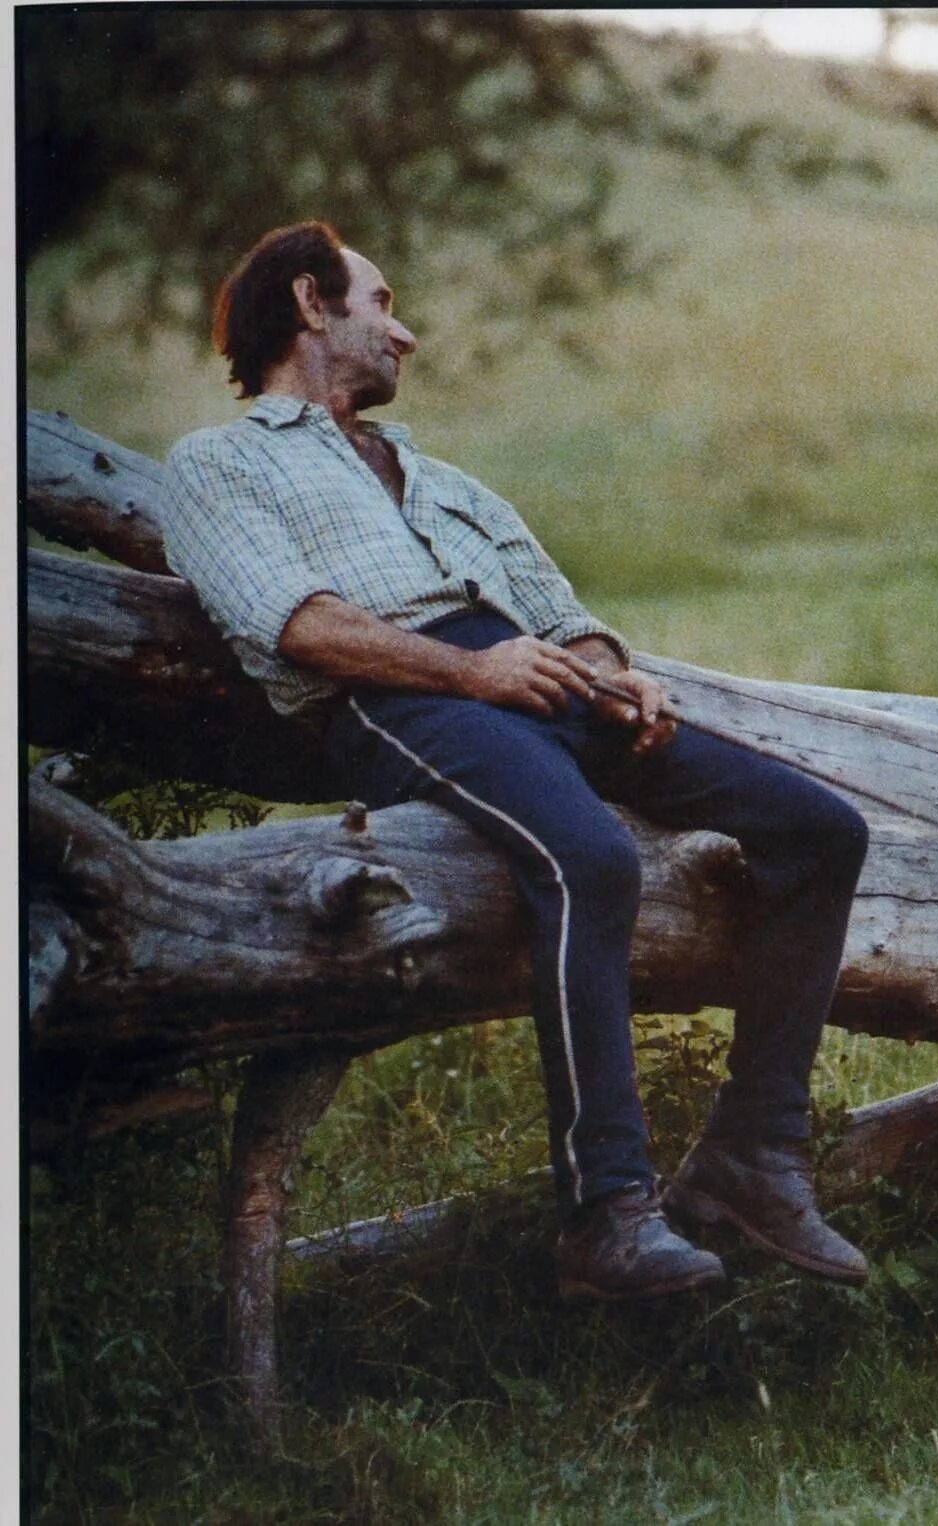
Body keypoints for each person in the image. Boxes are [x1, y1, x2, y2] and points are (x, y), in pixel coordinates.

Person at [161, 221, 871, 1301]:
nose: (406, 332)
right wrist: (476, 676)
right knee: (590, 859)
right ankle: (605, 1214)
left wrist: (615, 674)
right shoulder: (220, 462)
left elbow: (560, 613)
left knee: (823, 829)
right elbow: (297, 624)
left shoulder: (442, 479)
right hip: (401, 696)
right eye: (380, 303)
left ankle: (753, 1158)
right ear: (310, 304)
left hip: (538, 688)